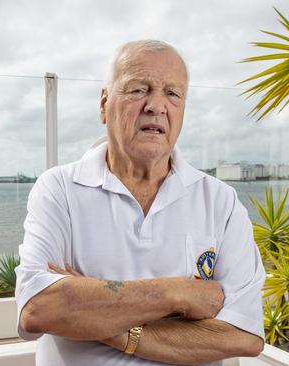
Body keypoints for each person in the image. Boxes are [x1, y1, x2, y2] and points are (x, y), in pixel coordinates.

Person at [15, 39, 265, 366]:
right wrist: (177, 293)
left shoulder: (220, 201)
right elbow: (39, 309)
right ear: (104, 104)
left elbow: (243, 336)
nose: (156, 105)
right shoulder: (59, 188)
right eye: (138, 89)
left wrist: (101, 321)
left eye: (172, 93)